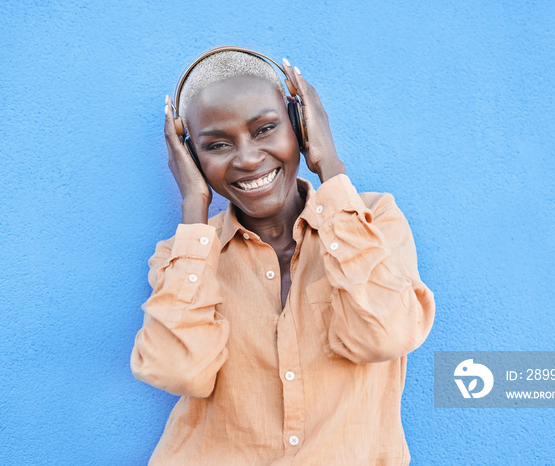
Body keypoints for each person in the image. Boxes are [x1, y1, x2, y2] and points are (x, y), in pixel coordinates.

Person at [130, 47, 435, 465]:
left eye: (265, 129)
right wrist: (194, 207)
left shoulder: (375, 221)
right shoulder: (183, 256)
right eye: (216, 145)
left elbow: (384, 336)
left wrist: (331, 167)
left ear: (300, 125)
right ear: (191, 157)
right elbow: (179, 371)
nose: (248, 158)